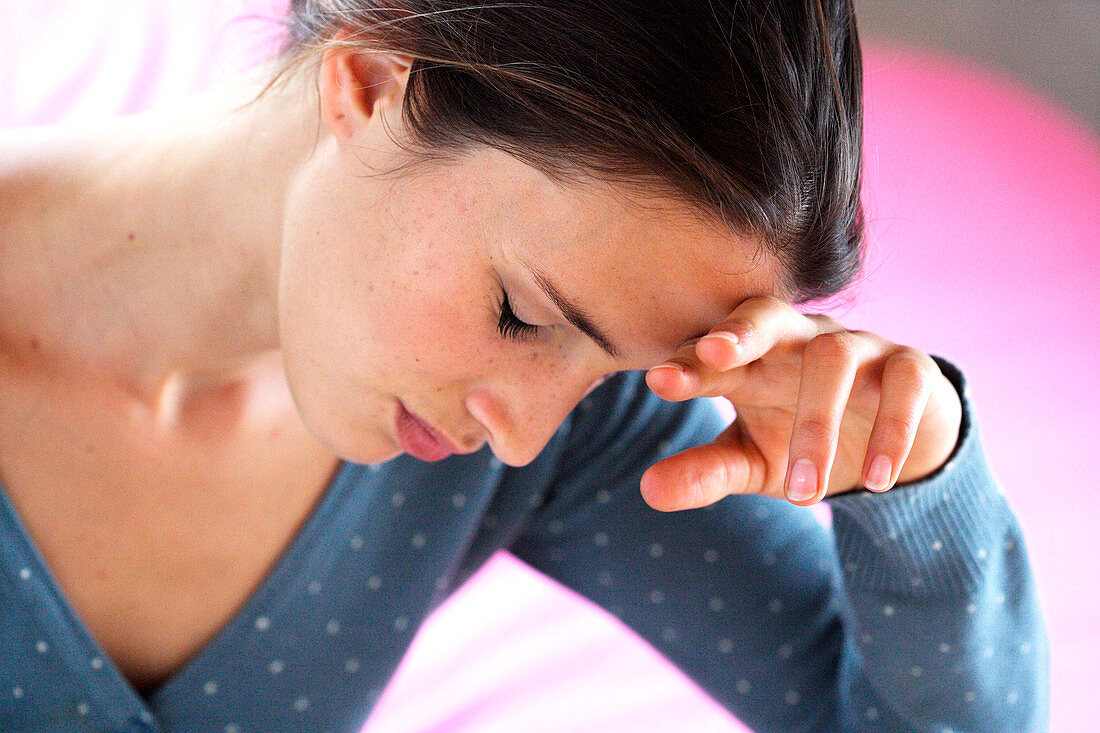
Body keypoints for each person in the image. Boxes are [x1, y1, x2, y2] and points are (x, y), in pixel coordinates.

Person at [0, 1, 1048, 731]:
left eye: (608, 369)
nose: (520, 435)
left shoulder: (573, 431)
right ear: (367, 82)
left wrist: (907, 479)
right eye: (523, 314)